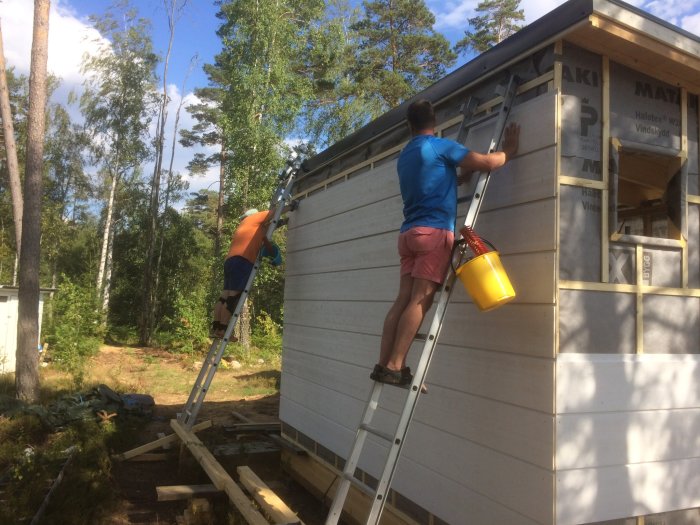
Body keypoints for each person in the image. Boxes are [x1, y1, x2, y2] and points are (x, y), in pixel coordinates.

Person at [371, 99, 520, 386]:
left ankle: (382, 363)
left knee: (402, 299)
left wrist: (457, 175)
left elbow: (431, 178)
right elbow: (489, 162)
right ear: (434, 122)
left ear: (409, 125)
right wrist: (510, 151)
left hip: (408, 234)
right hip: (433, 233)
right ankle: (394, 365)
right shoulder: (440, 146)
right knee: (419, 300)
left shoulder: (406, 155)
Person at [210, 208, 281, 339]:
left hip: (230, 261)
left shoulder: (246, 228)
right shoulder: (254, 218)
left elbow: (265, 243)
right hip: (242, 261)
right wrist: (290, 205)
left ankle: (216, 328)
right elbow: (275, 211)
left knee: (224, 297)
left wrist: (280, 224)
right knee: (233, 298)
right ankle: (223, 330)